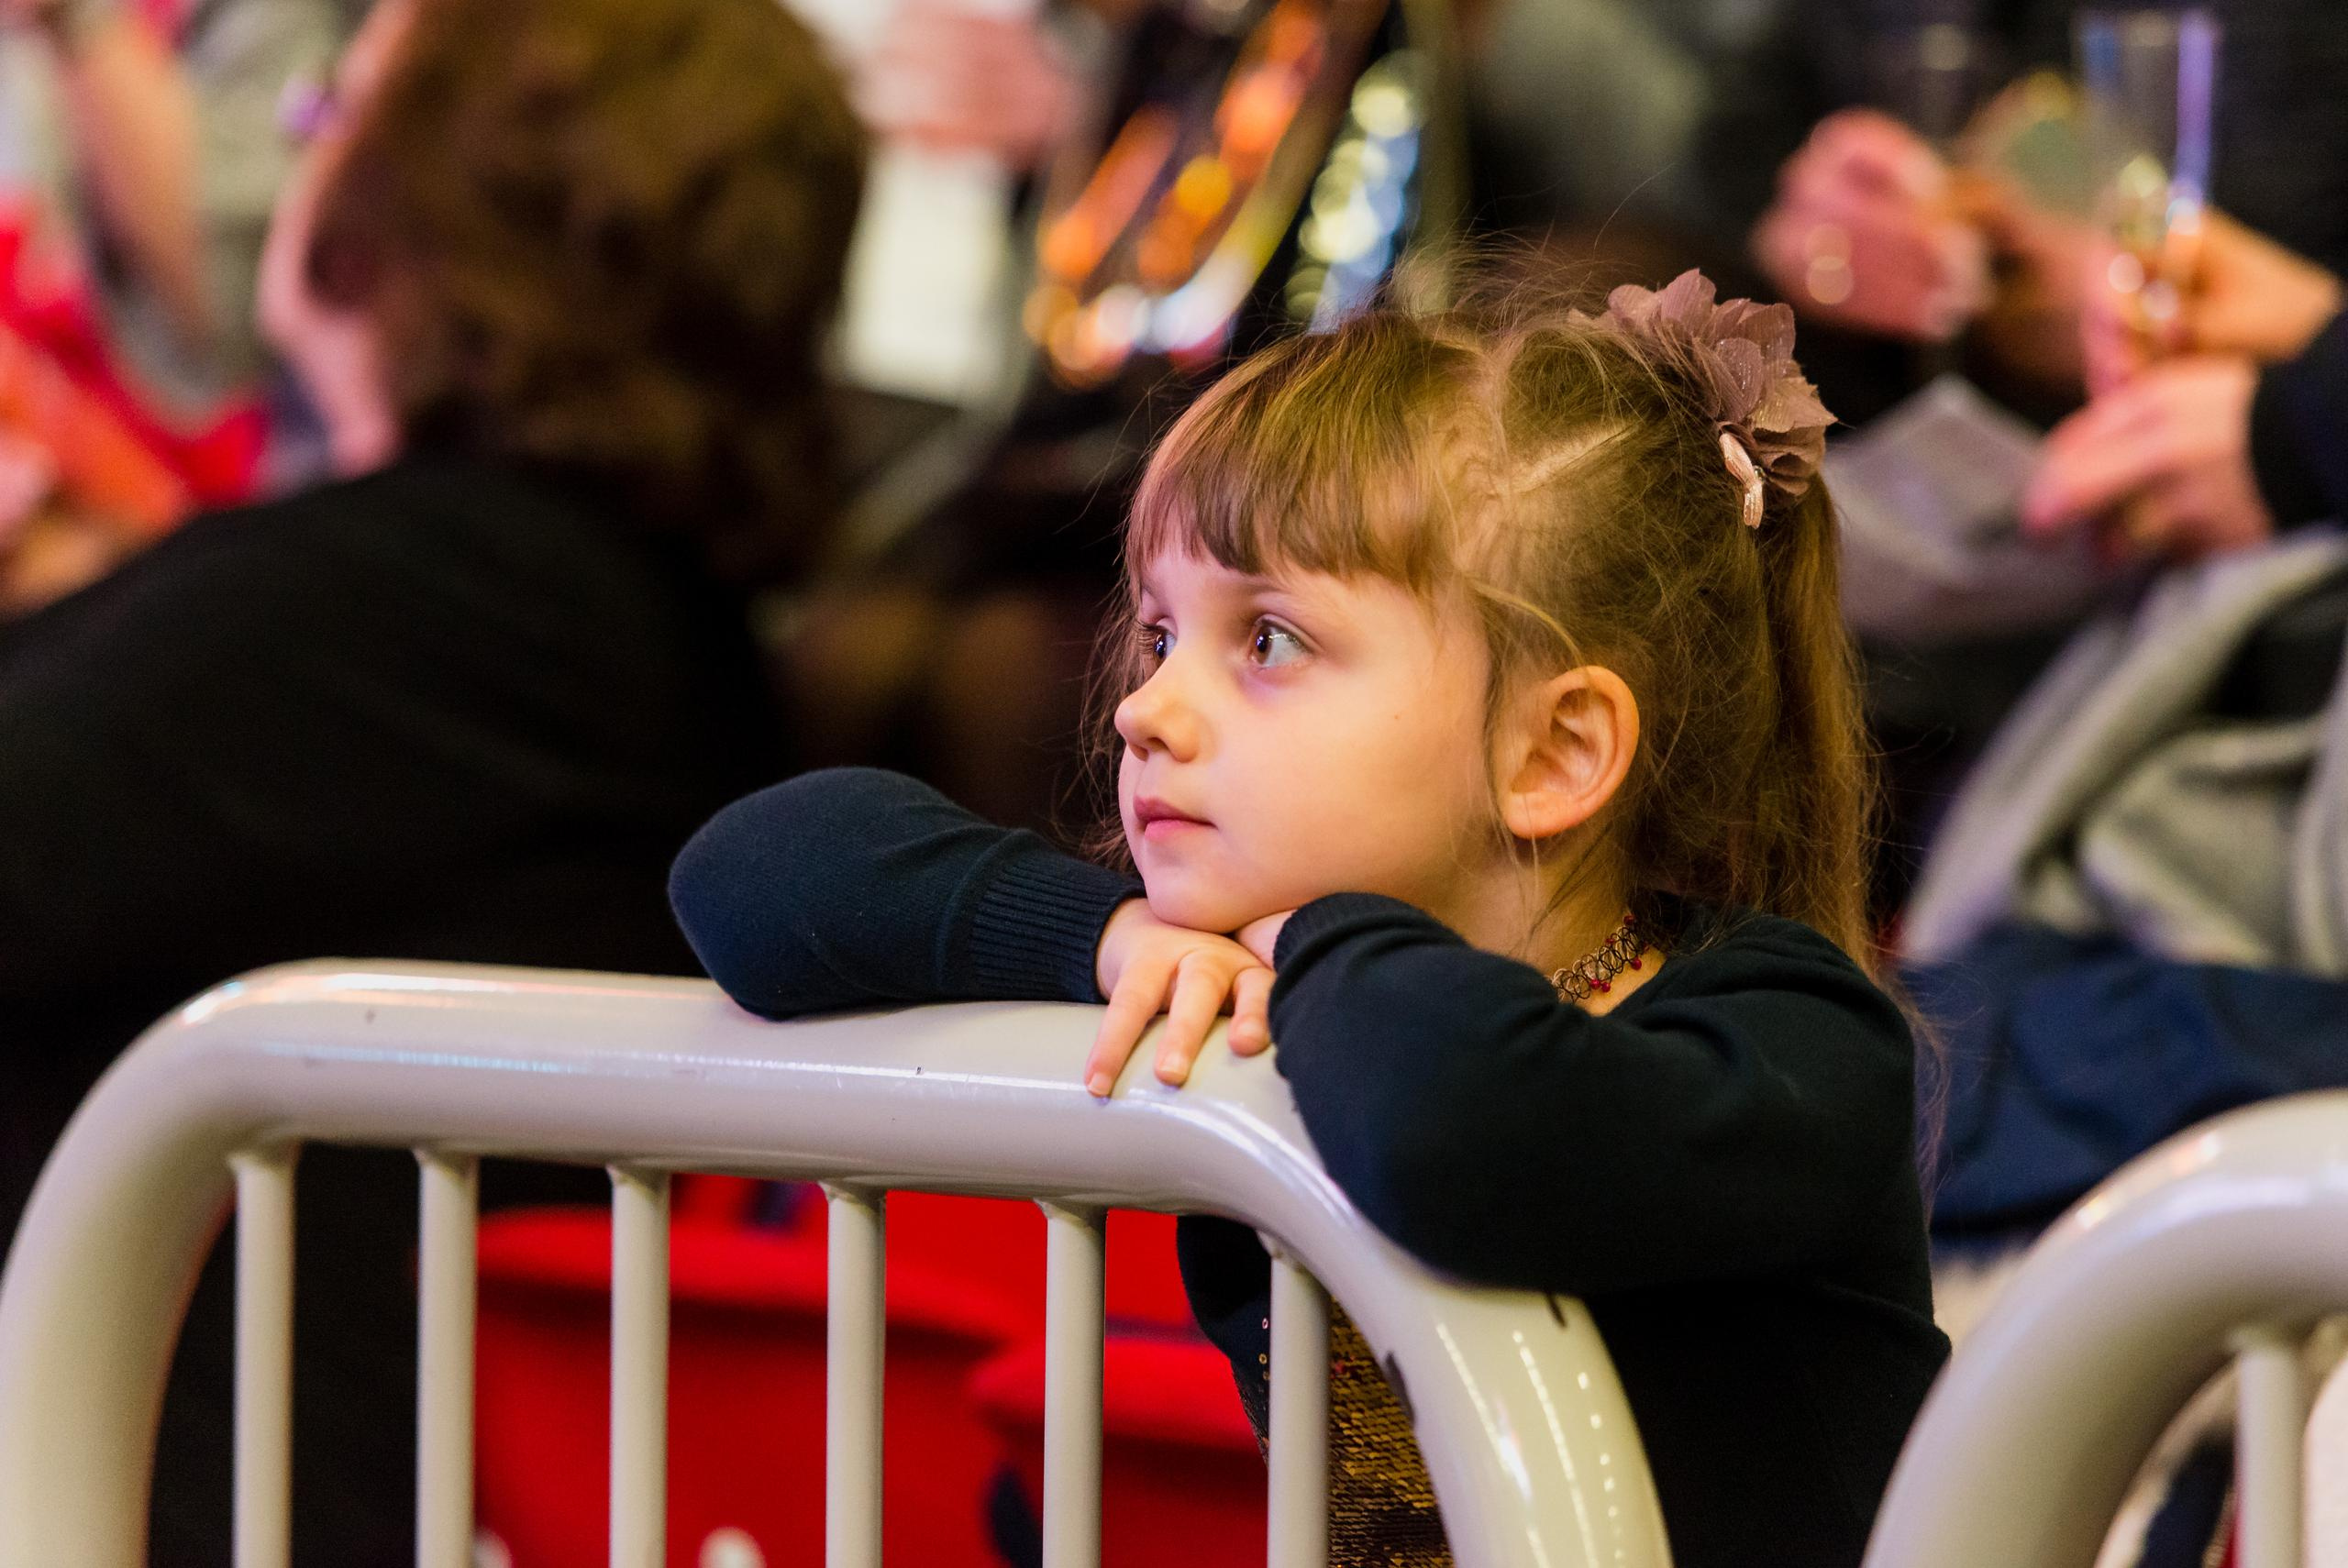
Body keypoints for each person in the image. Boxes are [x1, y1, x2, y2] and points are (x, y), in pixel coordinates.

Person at [673, 272, 1948, 1568]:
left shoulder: (1788, 1038)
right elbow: (752, 872)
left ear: (1553, 750)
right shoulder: (1270, 987)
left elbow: (1456, 1122)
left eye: (1270, 641)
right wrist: (1106, 937)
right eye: (1159, 634)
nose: (1143, 709)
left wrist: (1315, 934)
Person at [0, 0, 864, 1555]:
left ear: (441, 208)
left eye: (337, 112)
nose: (301, 147)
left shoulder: (474, 591)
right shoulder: (553, 598)